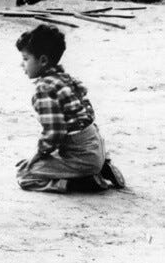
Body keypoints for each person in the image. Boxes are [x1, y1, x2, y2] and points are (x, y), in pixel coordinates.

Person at [15, 24, 126, 193]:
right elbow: (87, 113)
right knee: (48, 158)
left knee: (25, 174)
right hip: (96, 146)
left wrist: (39, 154)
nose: (22, 65)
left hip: (82, 156)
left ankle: (83, 182)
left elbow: (54, 132)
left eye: (25, 59)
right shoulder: (64, 78)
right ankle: (102, 165)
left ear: (43, 60)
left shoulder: (44, 88)